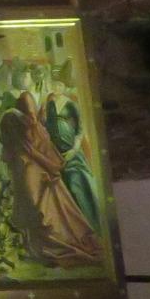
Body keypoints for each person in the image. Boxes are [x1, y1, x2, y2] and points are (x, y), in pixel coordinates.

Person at [0, 92, 102, 267]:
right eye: (29, 111)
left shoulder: (38, 127)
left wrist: (52, 165)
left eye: (33, 110)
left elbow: (48, 152)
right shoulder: (16, 123)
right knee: (38, 209)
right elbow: (27, 152)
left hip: (44, 173)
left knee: (56, 212)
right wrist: (50, 166)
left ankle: (56, 243)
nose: (33, 116)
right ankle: (36, 245)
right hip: (33, 172)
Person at [42, 80, 101, 228]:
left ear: (64, 87)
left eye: (59, 85)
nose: (56, 87)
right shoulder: (49, 105)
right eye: (54, 85)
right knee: (64, 192)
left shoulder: (71, 104)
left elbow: (80, 130)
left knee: (77, 186)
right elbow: (47, 127)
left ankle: (91, 224)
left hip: (72, 153)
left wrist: (74, 149)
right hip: (56, 154)